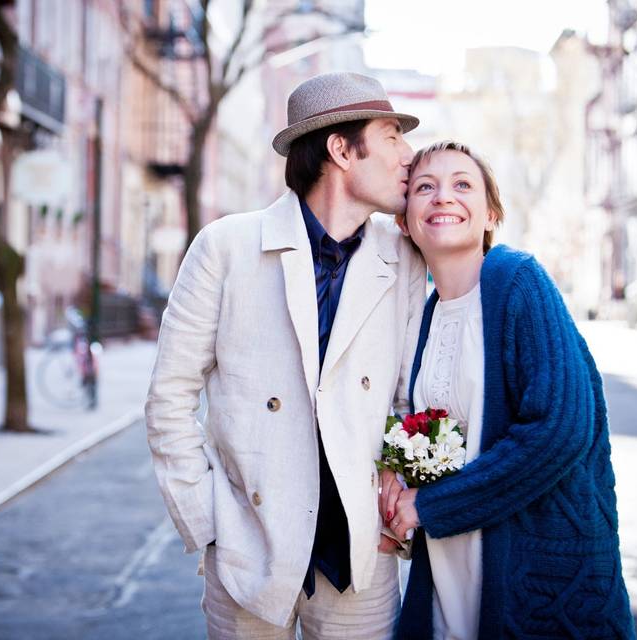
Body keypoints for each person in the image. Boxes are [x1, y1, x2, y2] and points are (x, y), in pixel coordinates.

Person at [145, 72, 427, 639]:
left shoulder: (404, 260)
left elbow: (410, 399)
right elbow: (169, 397)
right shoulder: (226, 247)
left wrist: (396, 502)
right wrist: (209, 523)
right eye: (392, 136)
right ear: (342, 149)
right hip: (249, 554)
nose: (408, 154)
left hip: (360, 561)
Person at [380, 140, 636, 639]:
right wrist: (398, 492)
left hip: (532, 570)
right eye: (425, 187)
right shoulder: (423, 317)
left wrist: (429, 506)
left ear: (490, 212)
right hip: (451, 567)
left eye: (462, 185)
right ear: (405, 220)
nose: (442, 197)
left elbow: (561, 430)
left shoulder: (518, 281)